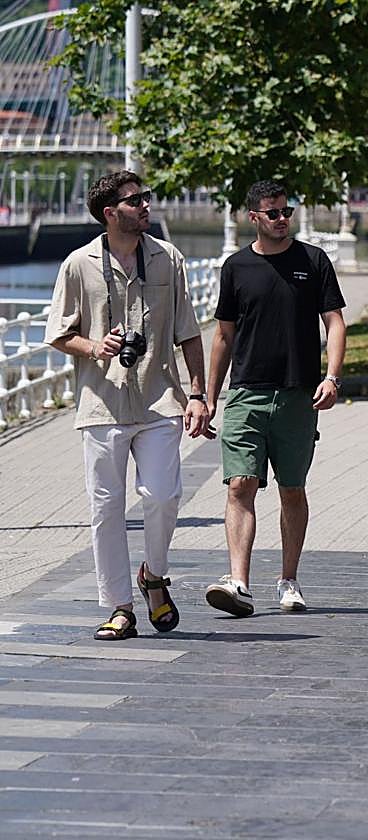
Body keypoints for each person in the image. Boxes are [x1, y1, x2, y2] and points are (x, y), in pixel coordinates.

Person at [45, 171, 210, 641]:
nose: (146, 206)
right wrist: (96, 347)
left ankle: (153, 575)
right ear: (109, 213)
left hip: (160, 398)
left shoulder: (168, 258)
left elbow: (188, 331)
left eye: (146, 198)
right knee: (107, 508)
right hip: (102, 403)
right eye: (135, 201)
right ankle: (119, 607)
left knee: (163, 495)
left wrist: (197, 393)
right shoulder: (78, 264)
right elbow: (58, 333)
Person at [204, 180, 346, 617]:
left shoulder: (313, 261)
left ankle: (288, 579)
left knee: (292, 490)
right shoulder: (236, 268)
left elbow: (335, 324)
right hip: (246, 393)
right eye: (273, 212)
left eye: (287, 210)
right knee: (240, 484)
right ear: (254, 218)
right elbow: (224, 335)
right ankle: (238, 581)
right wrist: (207, 397)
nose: (283, 218)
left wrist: (333, 378)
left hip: (296, 396)